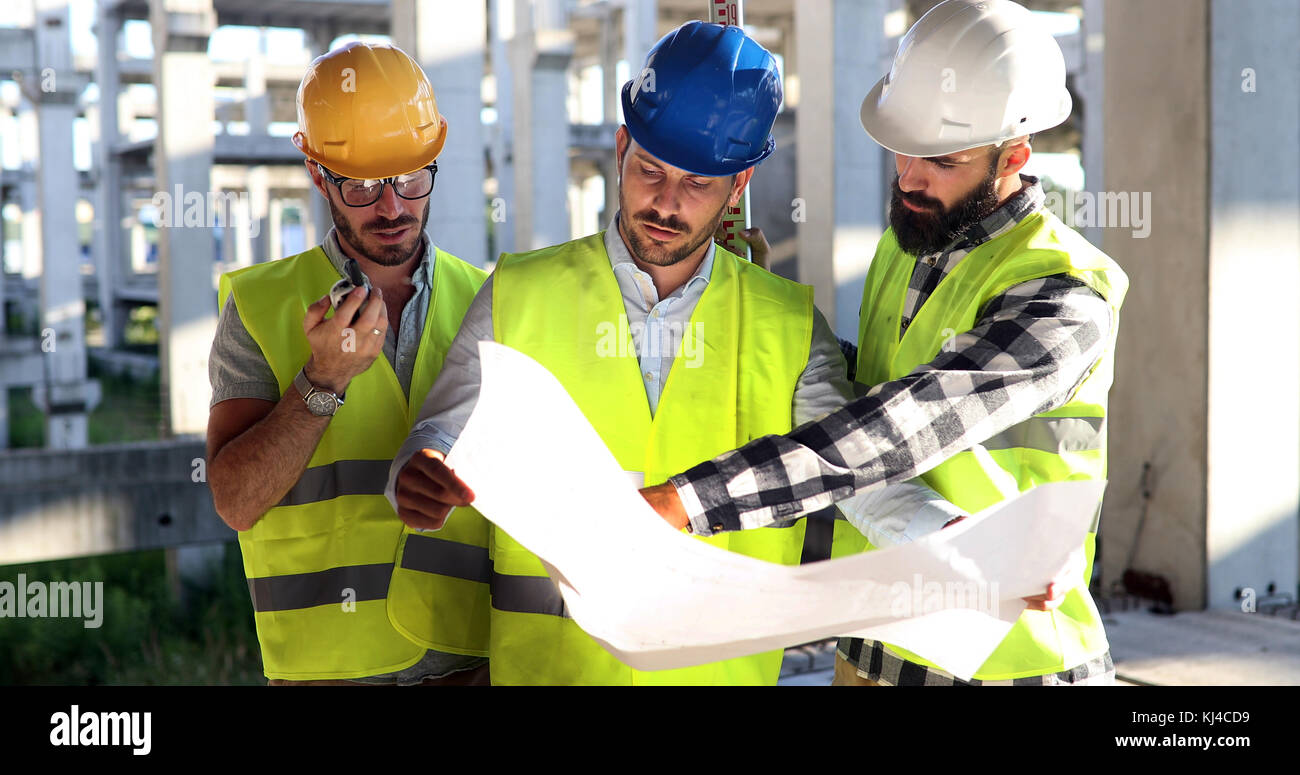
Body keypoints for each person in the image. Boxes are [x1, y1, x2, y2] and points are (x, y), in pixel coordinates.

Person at [385, 22, 970, 685]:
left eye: (697, 183)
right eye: (650, 170)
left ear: (738, 181)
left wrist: (948, 537)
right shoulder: (520, 290)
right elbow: (438, 433)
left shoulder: (785, 322)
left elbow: (852, 470)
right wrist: (415, 469)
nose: (665, 202)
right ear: (621, 147)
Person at [641, 0, 1128, 686]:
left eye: (942, 160)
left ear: (1014, 155)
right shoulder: (906, 247)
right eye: (900, 148)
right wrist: (769, 318)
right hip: (873, 645)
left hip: (1004, 659)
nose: (907, 177)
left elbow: (905, 425)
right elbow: (861, 391)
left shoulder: (1062, 295)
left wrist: (693, 500)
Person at [205, 42, 490, 685]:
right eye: (361, 187)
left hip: (471, 667)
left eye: (411, 179)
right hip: (325, 673)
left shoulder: (488, 302)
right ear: (316, 172)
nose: (391, 208)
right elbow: (236, 501)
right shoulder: (260, 307)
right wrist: (321, 381)